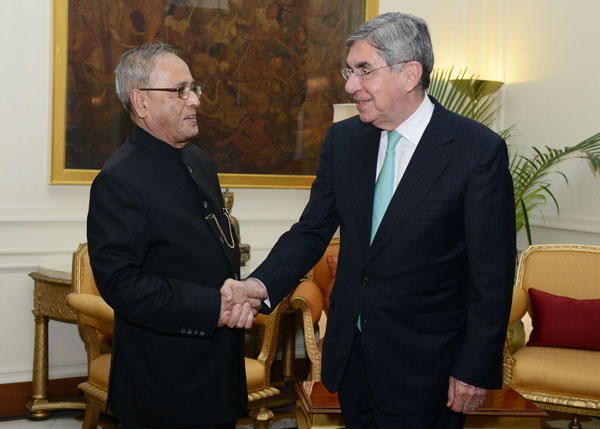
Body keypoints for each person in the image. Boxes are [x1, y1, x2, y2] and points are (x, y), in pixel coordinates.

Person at [222, 12, 516, 429]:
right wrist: (258, 285)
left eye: (364, 70)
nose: (349, 85)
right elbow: (311, 230)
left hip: (428, 368)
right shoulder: (344, 141)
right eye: (350, 70)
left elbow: (492, 275)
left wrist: (473, 367)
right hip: (352, 357)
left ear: (410, 74)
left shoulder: (475, 150)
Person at [87, 42, 265, 429]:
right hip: (164, 383)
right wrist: (211, 306)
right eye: (180, 90)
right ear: (141, 102)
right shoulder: (118, 180)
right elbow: (121, 283)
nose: (196, 100)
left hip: (219, 368)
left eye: (194, 88)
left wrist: (236, 294)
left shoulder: (199, 161)